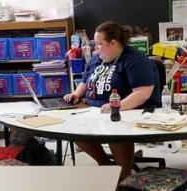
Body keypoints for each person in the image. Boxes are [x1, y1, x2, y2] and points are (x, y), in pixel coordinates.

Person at [63, 21, 157, 179]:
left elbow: (143, 92)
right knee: (74, 130)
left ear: (113, 43)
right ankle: (105, 164)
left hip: (123, 110)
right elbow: (86, 81)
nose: (96, 48)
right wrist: (76, 95)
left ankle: (124, 175)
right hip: (92, 109)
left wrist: (118, 106)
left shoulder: (135, 60)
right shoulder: (97, 58)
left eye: (100, 44)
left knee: (116, 131)